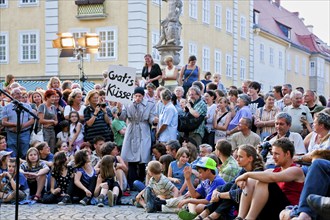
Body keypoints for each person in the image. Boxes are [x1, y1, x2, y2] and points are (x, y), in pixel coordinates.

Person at [235, 138, 305, 220]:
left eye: (277, 154)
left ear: (287, 154)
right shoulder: (274, 170)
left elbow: (272, 177)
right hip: (274, 207)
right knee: (252, 179)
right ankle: (240, 217)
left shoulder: (296, 170)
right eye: (272, 153)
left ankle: (250, 218)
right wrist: (242, 180)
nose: (273, 157)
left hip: (289, 209)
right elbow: (257, 177)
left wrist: (246, 175)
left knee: (264, 181)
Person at [198, 144, 265, 220]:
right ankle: (210, 213)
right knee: (233, 185)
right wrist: (217, 190)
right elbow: (231, 183)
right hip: (236, 202)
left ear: (250, 158)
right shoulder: (244, 169)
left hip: (255, 209)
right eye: (237, 156)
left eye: (240, 157)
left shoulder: (258, 172)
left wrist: (219, 195)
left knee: (234, 188)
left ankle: (212, 214)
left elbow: (242, 193)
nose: (237, 159)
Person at [118, 87, 157, 190]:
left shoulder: (150, 105)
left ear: (143, 96)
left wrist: (154, 121)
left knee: (143, 159)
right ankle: (132, 183)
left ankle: (141, 183)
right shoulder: (128, 104)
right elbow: (122, 118)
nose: (137, 98)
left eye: (139, 96)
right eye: (136, 96)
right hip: (131, 131)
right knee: (131, 159)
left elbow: (151, 118)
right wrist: (119, 109)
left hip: (143, 131)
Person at [2, 88, 34, 158]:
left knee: (25, 154)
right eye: (17, 93)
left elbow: (32, 120)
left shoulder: (27, 106)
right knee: (13, 155)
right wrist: (15, 125)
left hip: (25, 133)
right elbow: (4, 122)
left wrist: (22, 126)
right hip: (12, 134)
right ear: (12, 95)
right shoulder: (6, 107)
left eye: (20, 93)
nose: (19, 95)